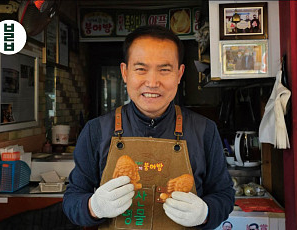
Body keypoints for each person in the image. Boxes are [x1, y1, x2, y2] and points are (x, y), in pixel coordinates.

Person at [63, 25, 235, 230]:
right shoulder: (96, 130)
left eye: (164, 70)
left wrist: (206, 213)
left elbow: (224, 195)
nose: (152, 82)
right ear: (125, 72)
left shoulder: (204, 130)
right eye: (141, 69)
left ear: (179, 74)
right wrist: (93, 207)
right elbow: (72, 200)